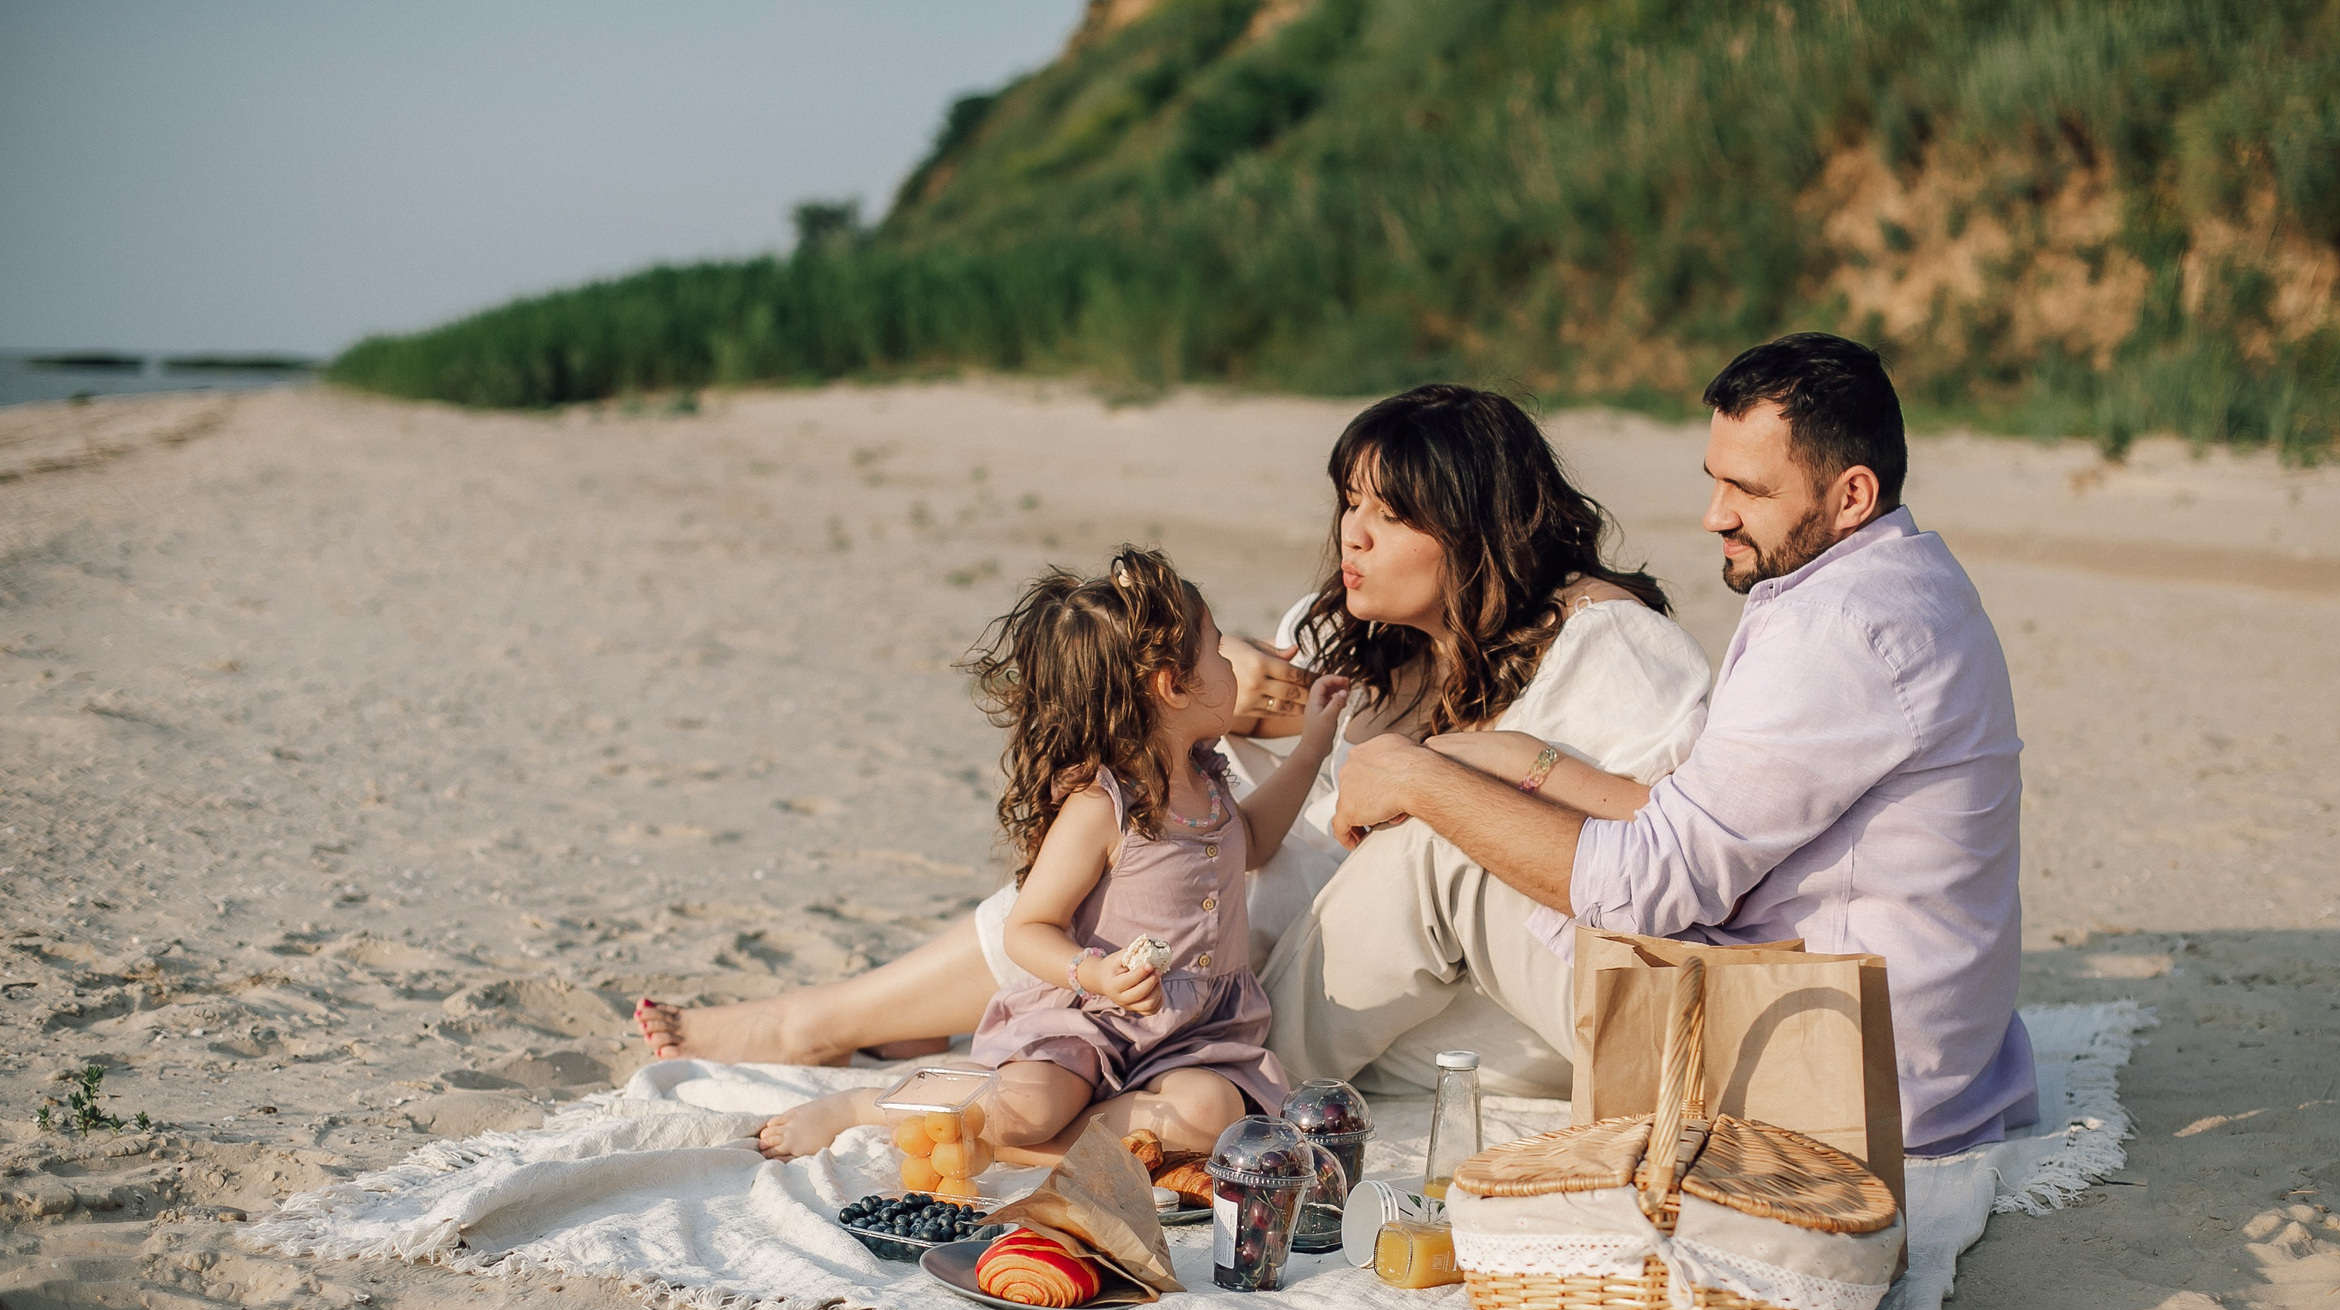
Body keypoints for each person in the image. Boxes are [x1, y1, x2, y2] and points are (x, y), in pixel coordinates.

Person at [639, 385, 1716, 1094]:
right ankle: (832, 1023)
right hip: (1327, 955)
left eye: (1387, 517)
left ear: (1476, 528)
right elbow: (1227, 737)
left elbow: (1676, 854)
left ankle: (858, 1031)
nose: (1351, 536)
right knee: (1158, 835)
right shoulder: (1369, 639)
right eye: (1348, 502)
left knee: (1224, 875)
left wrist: (1462, 771)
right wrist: (1238, 693)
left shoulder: (1607, 647)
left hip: (1482, 990)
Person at [1273, 333, 2038, 1154]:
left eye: (1746, 489)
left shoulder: (1836, 631)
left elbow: (1650, 884)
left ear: (1852, 494)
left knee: (1436, 851)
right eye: (1714, 480)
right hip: (1899, 1049)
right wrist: (1495, 757)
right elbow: (1683, 815)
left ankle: (1243, 1079)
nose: (1715, 515)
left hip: (1821, 1068)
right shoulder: (1907, 580)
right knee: (1453, 839)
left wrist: (1423, 783)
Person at [752, 547, 1350, 1160]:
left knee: (1211, 1112)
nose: (1231, 665)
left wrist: (1310, 751)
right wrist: (1093, 973)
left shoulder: (1208, 780)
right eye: (1219, 651)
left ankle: (1003, 1147)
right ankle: (868, 1108)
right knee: (1029, 1106)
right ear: (1172, 686)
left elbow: (1249, 843)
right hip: (1087, 1024)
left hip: (1191, 1037)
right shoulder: (1101, 808)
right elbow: (1027, 928)